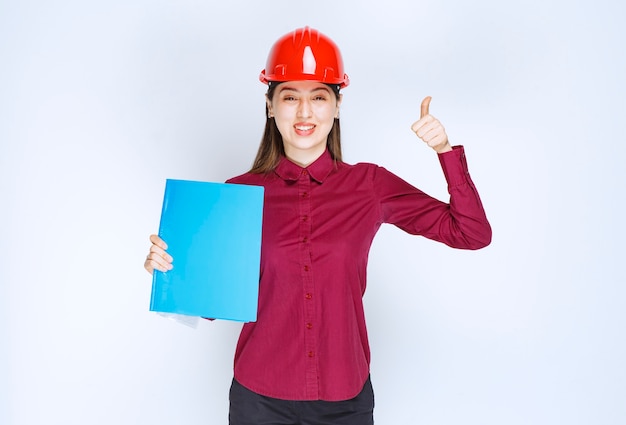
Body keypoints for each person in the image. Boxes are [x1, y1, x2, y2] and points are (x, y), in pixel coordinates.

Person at [144, 26, 491, 425]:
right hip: (259, 400)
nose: (304, 113)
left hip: (346, 400)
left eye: (319, 97)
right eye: (290, 97)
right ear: (271, 105)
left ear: (337, 106)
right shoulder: (238, 193)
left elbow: (472, 233)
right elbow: (205, 305)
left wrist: (444, 152)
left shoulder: (370, 185)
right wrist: (169, 269)